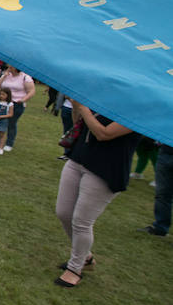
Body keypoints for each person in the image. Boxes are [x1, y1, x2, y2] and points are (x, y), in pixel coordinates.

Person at [54, 101, 140, 287]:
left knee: (82, 221)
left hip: (105, 169)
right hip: (78, 159)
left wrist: (83, 107)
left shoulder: (138, 110)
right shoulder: (102, 98)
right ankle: (85, 257)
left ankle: (75, 267)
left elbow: (103, 133)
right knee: (63, 212)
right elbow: (78, 121)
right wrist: (78, 105)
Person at [0, 65, 35, 151]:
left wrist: (23, 99)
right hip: (2, 102)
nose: (9, 67)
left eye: (11, 66)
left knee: (11, 123)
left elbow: (31, 91)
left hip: (16, 103)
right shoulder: (6, 75)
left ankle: (9, 143)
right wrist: (4, 76)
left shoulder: (25, 77)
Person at [138, 141, 173, 236]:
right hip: (167, 152)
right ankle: (160, 228)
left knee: (162, 195)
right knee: (162, 194)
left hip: (166, 153)